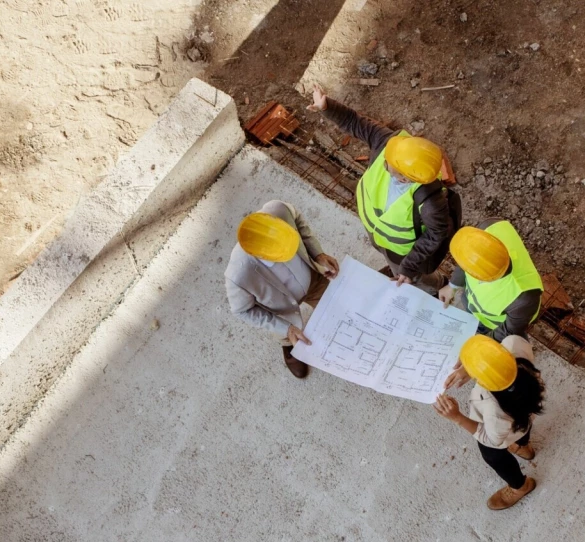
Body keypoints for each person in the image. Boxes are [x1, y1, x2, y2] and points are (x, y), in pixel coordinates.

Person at [306, 85, 456, 295]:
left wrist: (409, 266)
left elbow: (435, 234)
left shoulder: (431, 202)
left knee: (412, 279)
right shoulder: (391, 144)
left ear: (405, 178)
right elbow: (355, 122)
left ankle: (436, 287)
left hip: (402, 254)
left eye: (388, 166)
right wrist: (327, 106)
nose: (383, 161)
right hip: (378, 236)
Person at [224, 200, 340, 379]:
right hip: (281, 311)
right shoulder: (238, 276)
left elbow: (299, 222)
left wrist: (317, 254)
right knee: (286, 334)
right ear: (262, 255)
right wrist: (285, 329)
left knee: (336, 308)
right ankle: (288, 345)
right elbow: (242, 310)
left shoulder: (279, 210)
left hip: (313, 281)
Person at [434, 334, 545, 510]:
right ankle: (524, 446)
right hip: (525, 414)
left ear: (484, 382)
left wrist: (457, 417)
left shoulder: (495, 412)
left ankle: (520, 486)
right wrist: (473, 368)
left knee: (493, 456)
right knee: (523, 428)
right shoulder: (514, 344)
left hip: (501, 432)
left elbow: (491, 439)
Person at [438, 220, 543, 342]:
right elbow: (467, 257)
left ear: (482, 278)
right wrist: (452, 286)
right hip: (475, 308)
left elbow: (509, 330)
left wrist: (484, 343)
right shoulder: (489, 228)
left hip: (492, 325)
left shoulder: (524, 298)